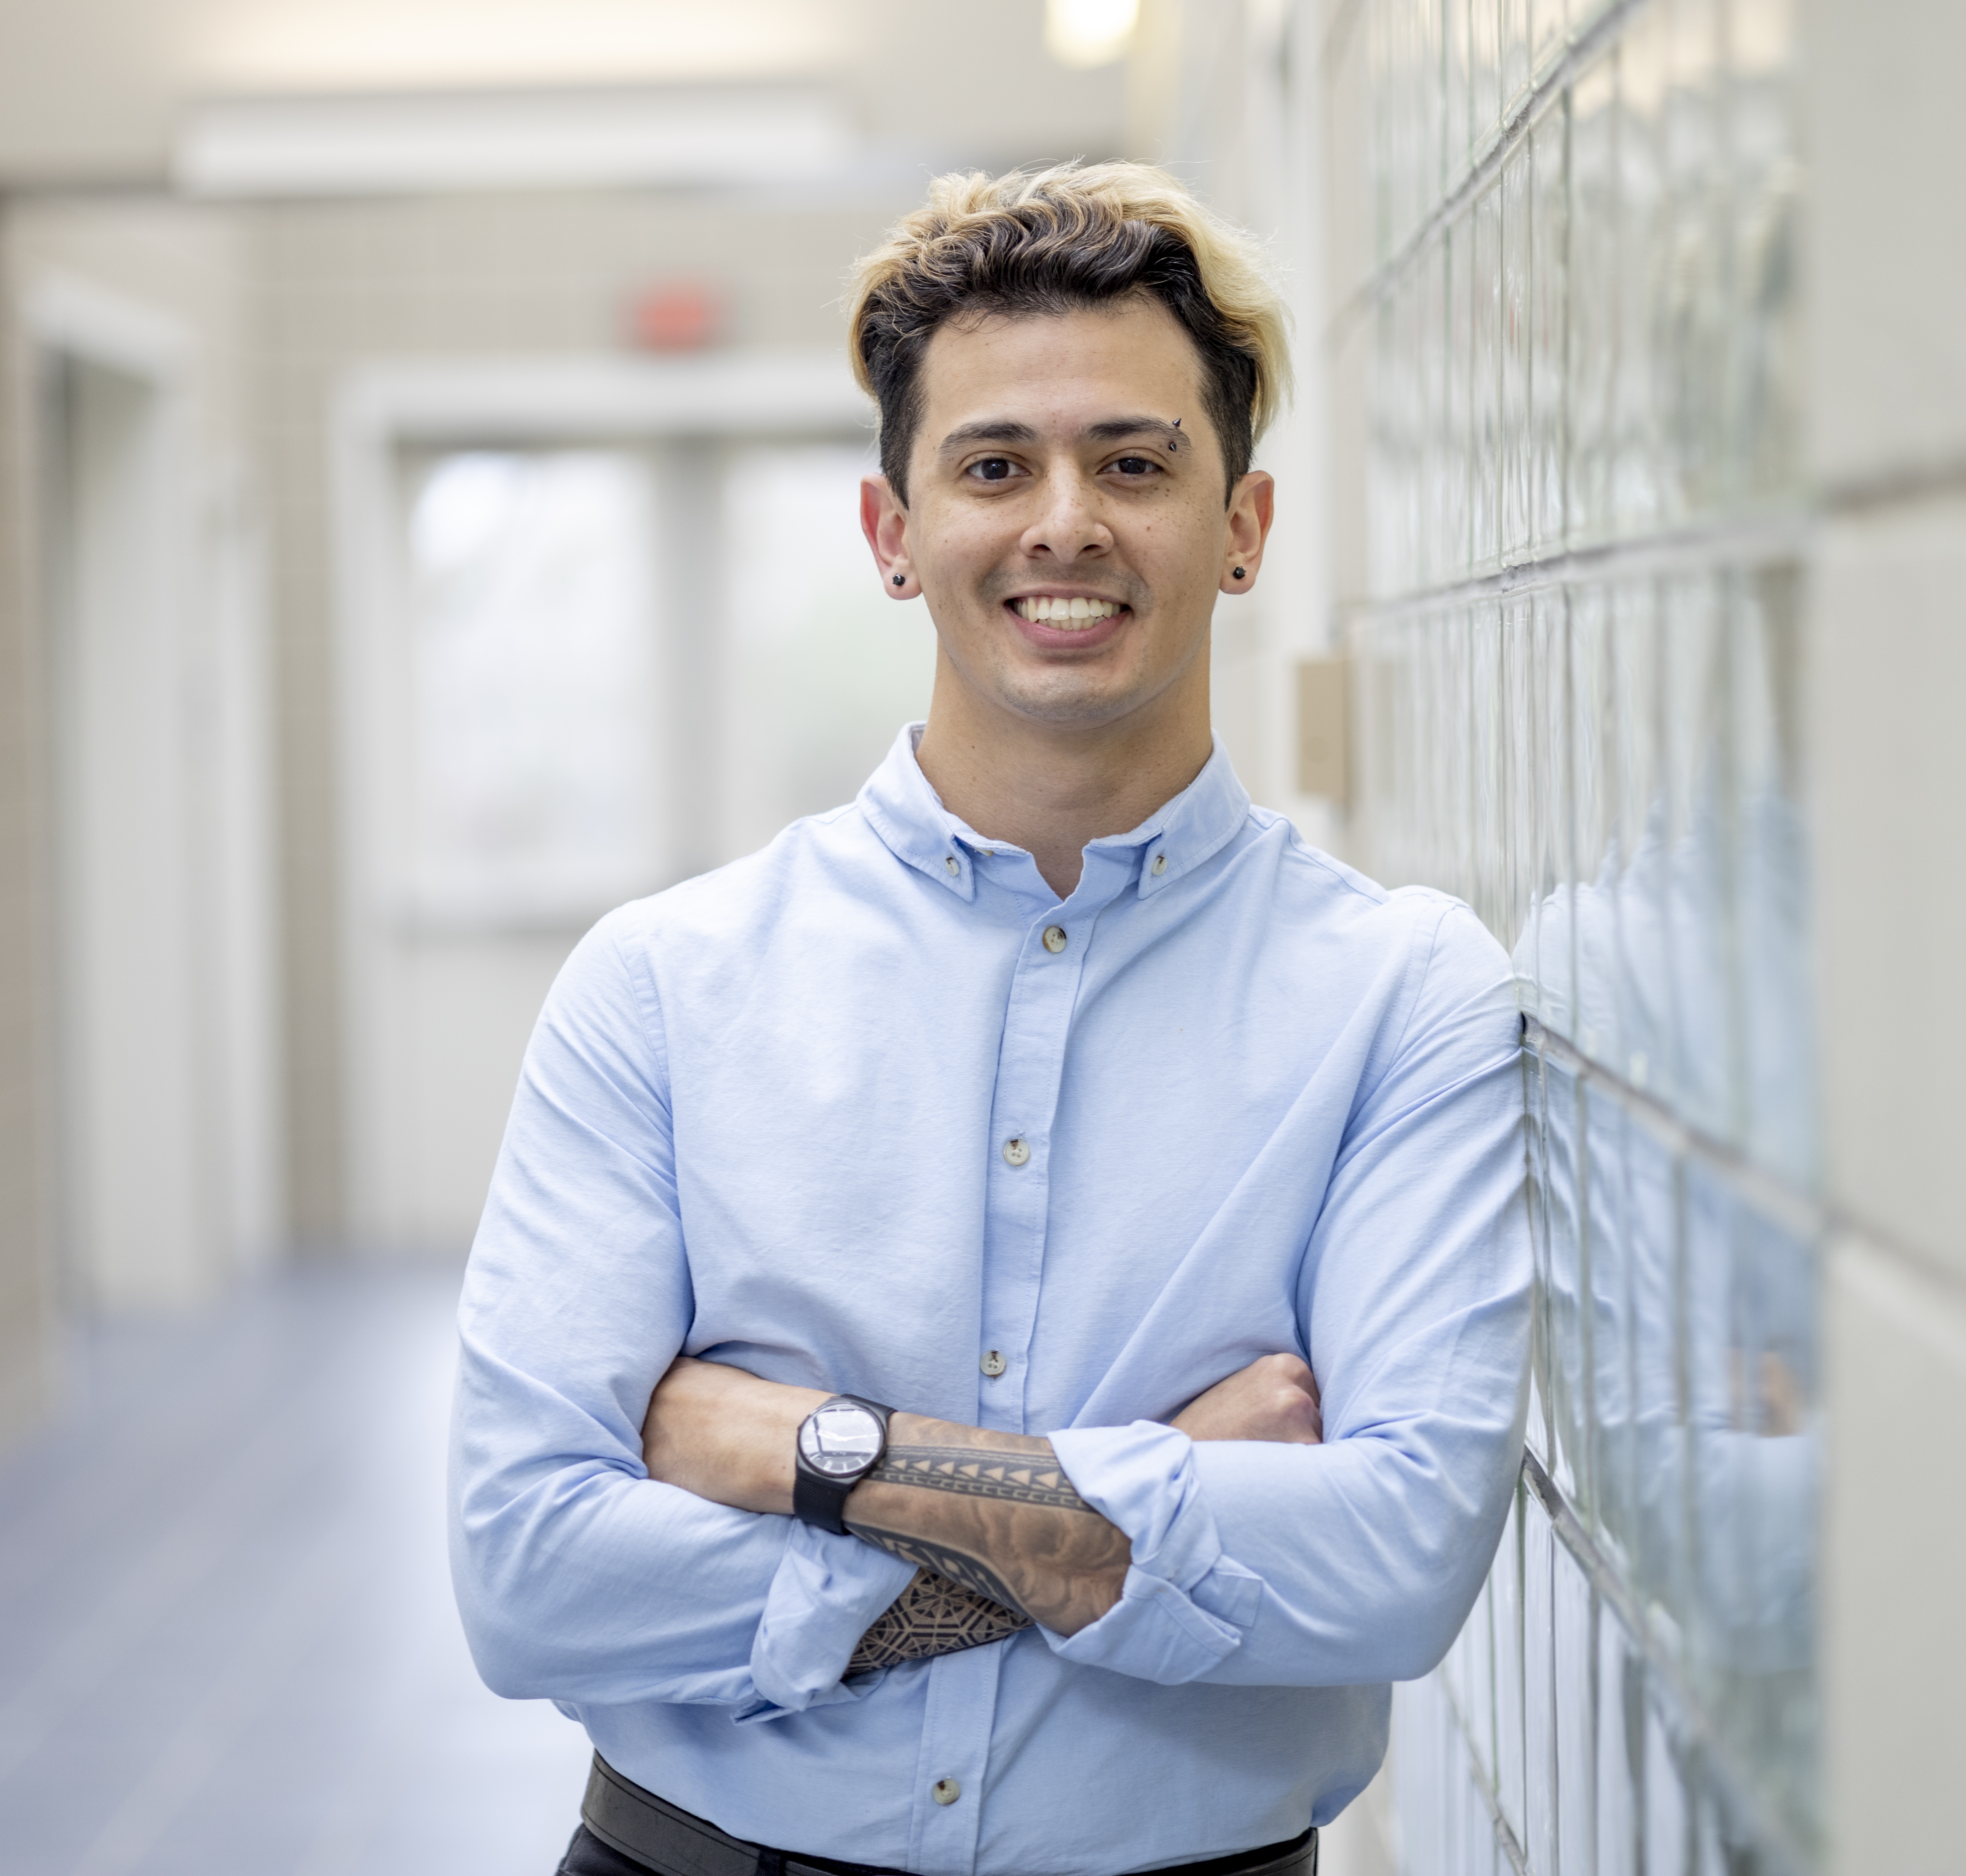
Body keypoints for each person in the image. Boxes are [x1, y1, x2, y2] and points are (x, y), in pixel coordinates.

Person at [450, 161, 1531, 1876]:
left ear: (1242, 530)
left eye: (1134, 461)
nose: (1064, 525)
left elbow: (1397, 1560)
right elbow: (527, 1576)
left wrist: (831, 1453)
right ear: (895, 537)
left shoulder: (1403, 996)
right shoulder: (663, 985)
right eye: (993, 465)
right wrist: (1138, 1501)